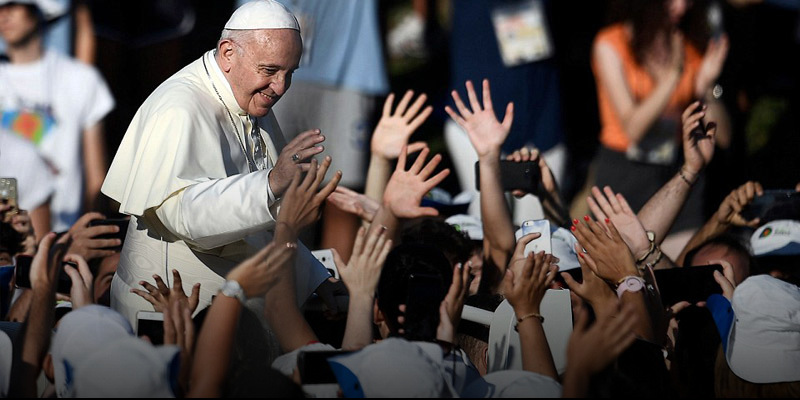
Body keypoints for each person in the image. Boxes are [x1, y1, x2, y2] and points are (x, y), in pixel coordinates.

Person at [101, 0, 334, 326]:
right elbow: (183, 215)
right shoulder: (179, 108)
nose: (280, 87)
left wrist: (309, 274)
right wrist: (270, 183)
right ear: (227, 54)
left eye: (289, 73)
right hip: (172, 320)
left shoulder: (250, 94)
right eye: (270, 71)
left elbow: (256, 226)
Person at [592, 0, 731, 254]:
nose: (681, 7)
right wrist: (672, 75)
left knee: (678, 271)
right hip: (625, 170)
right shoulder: (611, 43)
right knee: (622, 269)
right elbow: (633, 127)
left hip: (677, 169)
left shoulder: (688, 45)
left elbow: (723, 137)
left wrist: (708, 88)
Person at [0, 0, 114, 232]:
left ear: (38, 10)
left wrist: (90, 233)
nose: (4, 15)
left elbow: (97, 177)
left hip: (67, 236)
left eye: (13, 5)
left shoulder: (81, 79)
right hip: (6, 241)